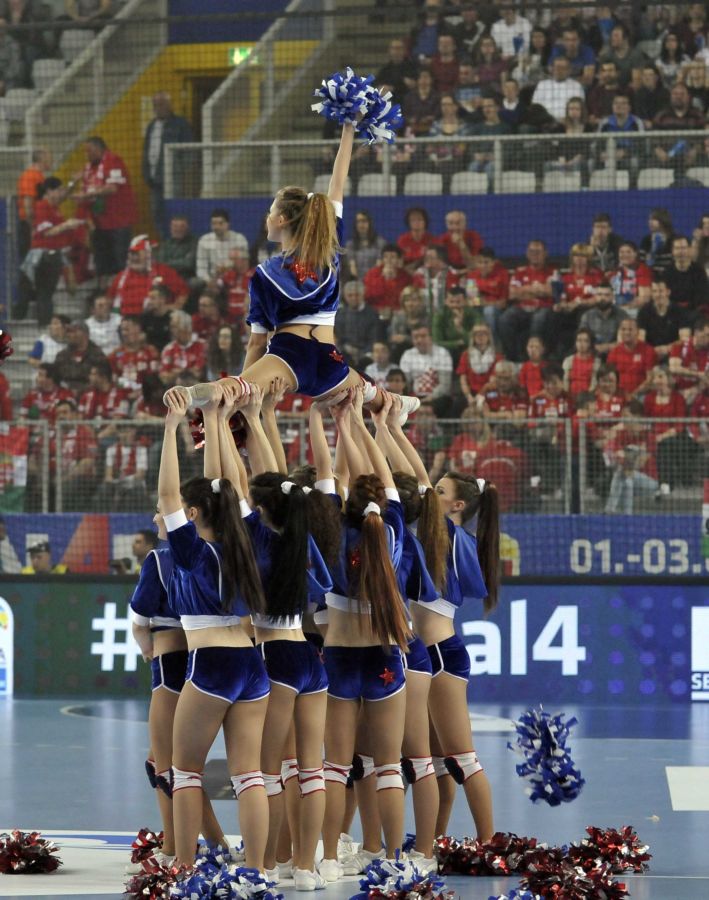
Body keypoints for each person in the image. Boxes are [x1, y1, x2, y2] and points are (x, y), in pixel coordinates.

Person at [170, 124, 420, 422]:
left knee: (232, 388)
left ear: (282, 220)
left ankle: (188, 395)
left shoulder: (266, 273)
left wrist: (246, 387)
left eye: (271, 212)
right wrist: (348, 128)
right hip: (328, 360)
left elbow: (257, 343)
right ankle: (397, 402)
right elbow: (337, 183)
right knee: (369, 393)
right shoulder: (327, 248)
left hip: (289, 356)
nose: (267, 217)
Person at [158, 385, 269, 872]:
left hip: (211, 665)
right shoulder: (245, 542)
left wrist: (172, 426)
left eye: (183, 509)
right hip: (251, 664)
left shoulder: (193, 552)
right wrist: (214, 419)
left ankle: (183, 869)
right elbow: (224, 487)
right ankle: (257, 872)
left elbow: (169, 495)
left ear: (193, 514)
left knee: (184, 772)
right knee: (250, 776)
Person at [226, 388, 333, 890]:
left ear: (260, 508)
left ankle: (265, 865)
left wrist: (229, 424)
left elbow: (237, 482)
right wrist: (256, 417)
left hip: (273, 655)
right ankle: (306, 867)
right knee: (311, 770)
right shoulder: (300, 538)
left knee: (266, 772)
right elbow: (274, 484)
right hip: (310, 657)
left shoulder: (258, 539)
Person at [317, 387, 412, 882]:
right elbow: (385, 479)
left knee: (335, 768)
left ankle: (330, 858)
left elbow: (333, 479)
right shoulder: (390, 531)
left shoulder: (333, 532)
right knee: (388, 766)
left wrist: (338, 423)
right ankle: (394, 858)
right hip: (384, 659)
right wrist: (359, 423)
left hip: (338, 660)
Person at [393, 419, 498, 841]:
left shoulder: (451, 536)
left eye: (439, 492)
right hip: (432, 652)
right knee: (436, 763)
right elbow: (417, 480)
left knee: (462, 758)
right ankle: (432, 842)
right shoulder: (443, 536)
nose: (429, 494)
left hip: (441, 653)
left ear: (457, 506)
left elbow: (416, 478)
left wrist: (390, 428)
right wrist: (389, 429)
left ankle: (489, 845)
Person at [17, 177, 87, 326]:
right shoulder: (42, 206)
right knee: (41, 293)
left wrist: (73, 182)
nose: (62, 193)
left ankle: (40, 324)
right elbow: (47, 232)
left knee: (43, 293)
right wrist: (67, 225)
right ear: (49, 191)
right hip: (42, 256)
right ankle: (33, 323)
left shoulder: (54, 207)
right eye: (59, 190)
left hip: (53, 256)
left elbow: (64, 197)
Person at [73, 136, 138, 281]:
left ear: (99, 149)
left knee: (120, 260)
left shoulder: (114, 161)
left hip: (118, 221)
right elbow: (87, 187)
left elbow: (113, 188)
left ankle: (122, 288)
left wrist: (87, 195)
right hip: (99, 223)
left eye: (89, 151)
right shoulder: (89, 168)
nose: (86, 155)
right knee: (101, 261)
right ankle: (103, 289)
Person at [142, 93, 193, 237]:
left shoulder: (180, 124)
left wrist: (183, 172)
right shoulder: (151, 126)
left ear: (169, 105)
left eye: (162, 104)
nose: (158, 108)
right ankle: (165, 240)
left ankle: (179, 240)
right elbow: (146, 151)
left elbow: (189, 150)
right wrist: (146, 173)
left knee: (175, 211)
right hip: (154, 180)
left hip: (173, 178)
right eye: (156, 105)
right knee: (157, 213)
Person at [498, 239, 555, 362]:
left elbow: (551, 292)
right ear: (527, 254)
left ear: (545, 253)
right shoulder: (520, 272)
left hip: (543, 307)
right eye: (532, 252)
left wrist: (524, 290)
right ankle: (512, 358)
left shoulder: (552, 272)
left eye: (538, 252)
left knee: (538, 319)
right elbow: (512, 294)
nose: (535, 255)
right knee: (505, 319)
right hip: (521, 308)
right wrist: (537, 289)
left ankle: (536, 358)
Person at [107, 234, 189, 317]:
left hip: (155, 318)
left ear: (149, 255)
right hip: (124, 320)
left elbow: (183, 293)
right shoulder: (121, 277)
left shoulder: (164, 271)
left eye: (137, 254)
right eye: (132, 254)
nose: (134, 258)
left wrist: (171, 307)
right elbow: (109, 299)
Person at [399, 325, 454, 414]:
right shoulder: (407, 355)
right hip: (416, 397)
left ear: (431, 337)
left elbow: (445, 385)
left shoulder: (442, 353)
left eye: (423, 336)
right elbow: (405, 383)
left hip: (438, 398)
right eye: (416, 337)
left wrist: (429, 398)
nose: (419, 340)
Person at [195, 209, 249, 290]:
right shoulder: (204, 240)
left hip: (234, 278)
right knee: (195, 283)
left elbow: (244, 266)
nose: (216, 227)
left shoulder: (239, 239)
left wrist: (228, 267)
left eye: (220, 223)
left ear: (228, 224)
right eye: (214, 223)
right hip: (212, 279)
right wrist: (208, 281)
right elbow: (201, 267)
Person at [664, 235, 709, 326]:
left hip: (694, 313)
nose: (681, 252)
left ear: (689, 250)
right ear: (672, 251)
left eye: (683, 248)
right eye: (677, 248)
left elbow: (703, 296)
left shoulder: (699, 271)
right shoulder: (667, 272)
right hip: (672, 313)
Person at [334, 280, 382, 366]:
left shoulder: (372, 314)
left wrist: (362, 352)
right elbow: (338, 338)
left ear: (362, 295)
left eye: (357, 295)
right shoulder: (339, 314)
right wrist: (345, 348)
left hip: (367, 354)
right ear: (345, 296)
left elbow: (374, 338)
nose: (353, 298)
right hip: (345, 352)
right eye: (350, 295)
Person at [53, 319, 108, 395]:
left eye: (73, 331)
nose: (69, 335)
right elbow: (55, 379)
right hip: (64, 395)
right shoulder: (62, 356)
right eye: (68, 332)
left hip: (91, 395)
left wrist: (81, 391)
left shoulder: (97, 355)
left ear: (85, 334)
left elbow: (102, 381)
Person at [15, 147, 52, 259]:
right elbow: (28, 202)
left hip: (37, 224)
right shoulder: (30, 176)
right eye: (49, 158)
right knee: (29, 260)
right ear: (42, 159)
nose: (51, 160)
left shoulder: (40, 176)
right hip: (29, 225)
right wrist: (32, 227)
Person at [606, 318, 657, 396]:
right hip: (618, 394)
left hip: (641, 395)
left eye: (630, 329)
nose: (627, 332)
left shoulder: (648, 351)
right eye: (623, 329)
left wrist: (633, 395)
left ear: (637, 332)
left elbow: (650, 379)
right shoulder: (614, 352)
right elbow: (609, 378)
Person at [456, 322, 503, 405]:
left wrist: (481, 395)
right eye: (476, 334)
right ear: (473, 337)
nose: (480, 336)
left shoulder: (497, 356)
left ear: (489, 336)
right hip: (470, 392)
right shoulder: (465, 355)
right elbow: (463, 380)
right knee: (458, 404)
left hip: (489, 392)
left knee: (494, 399)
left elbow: (492, 381)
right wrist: (468, 396)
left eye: (484, 333)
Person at [637, 278, 682, 358]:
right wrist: (651, 351)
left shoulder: (679, 311)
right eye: (654, 291)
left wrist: (667, 348)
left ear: (668, 292)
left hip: (673, 353)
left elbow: (684, 338)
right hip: (649, 353)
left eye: (661, 291)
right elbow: (640, 338)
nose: (657, 295)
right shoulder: (644, 311)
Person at [363, 245, 413, 318]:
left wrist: (393, 280)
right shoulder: (372, 274)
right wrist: (383, 278)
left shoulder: (405, 276)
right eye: (386, 257)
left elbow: (403, 298)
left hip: (397, 313)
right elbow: (368, 296)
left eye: (392, 257)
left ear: (398, 260)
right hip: (375, 312)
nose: (389, 260)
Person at [532, 56, 585, 122]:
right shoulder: (542, 85)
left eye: (563, 68)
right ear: (552, 69)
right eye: (557, 67)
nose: (559, 71)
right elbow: (535, 106)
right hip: (544, 122)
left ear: (569, 70)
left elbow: (578, 108)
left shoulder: (576, 86)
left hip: (567, 122)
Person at [609, 241, 653, 316]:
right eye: (622, 252)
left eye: (628, 252)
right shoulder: (614, 272)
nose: (625, 255)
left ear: (635, 254)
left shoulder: (642, 270)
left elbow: (644, 298)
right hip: (615, 310)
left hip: (635, 311)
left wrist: (623, 308)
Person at [344, 210, 387, 281]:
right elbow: (352, 269)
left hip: (375, 280)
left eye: (364, 221)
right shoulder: (350, 244)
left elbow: (378, 267)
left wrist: (370, 282)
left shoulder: (380, 243)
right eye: (358, 221)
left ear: (370, 223)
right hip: (357, 281)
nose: (361, 224)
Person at [155, 215, 199, 283]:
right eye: (175, 226)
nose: (178, 229)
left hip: (188, 278)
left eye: (182, 226)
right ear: (170, 228)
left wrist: (169, 262)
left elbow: (189, 264)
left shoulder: (195, 242)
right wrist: (182, 261)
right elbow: (161, 264)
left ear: (187, 228)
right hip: (168, 277)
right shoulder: (165, 244)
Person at [563, 328, 601, 399]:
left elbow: (594, 384)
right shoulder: (568, 361)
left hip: (588, 398)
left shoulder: (596, 362)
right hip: (570, 397)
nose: (581, 344)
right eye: (579, 340)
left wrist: (586, 398)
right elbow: (565, 383)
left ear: (590, 344)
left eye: (585, 341)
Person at [397, 207, 434, 273]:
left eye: (420, 219)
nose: (416, 222)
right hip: (406, 271)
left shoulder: (432, 240)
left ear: (425, 222)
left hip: (425, 272)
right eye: (413, 220)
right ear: (408, 223)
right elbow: (399, 260)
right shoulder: (403, 240)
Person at [639, 207, 675, 275]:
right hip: (651, 277)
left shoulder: (675, 240)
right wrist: (653, 251)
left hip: (671, 277)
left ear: (663, 220)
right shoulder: (646, 240)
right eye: (649, 219)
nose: (650, 222)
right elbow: (642, 263)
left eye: (654, 219)